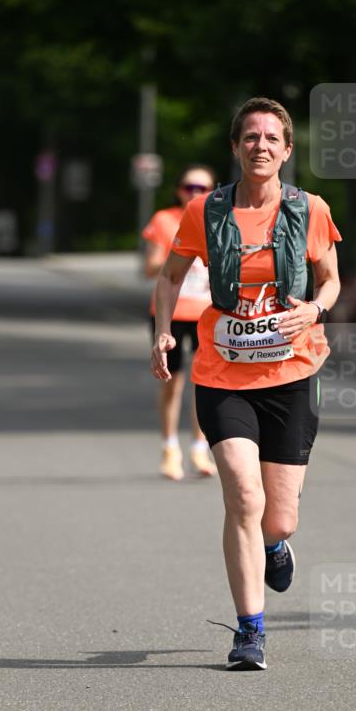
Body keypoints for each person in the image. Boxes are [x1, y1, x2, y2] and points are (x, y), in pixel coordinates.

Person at [151, 98, 341, 670]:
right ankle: (249, 631)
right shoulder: (203, 213)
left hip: (292, 372)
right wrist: (162, 330)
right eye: (250, 137)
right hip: (222, 372)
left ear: (286, 150)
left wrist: (313, 311)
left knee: (277, 519)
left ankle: (277, 544)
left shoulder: (309, 211)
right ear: (235, 147)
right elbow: (168, 276)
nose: (261, 145)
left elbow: (331, 282)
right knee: (242, 494)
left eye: (271, 138)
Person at [143, 165, 217, 480]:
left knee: (205, 385)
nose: (196, 193)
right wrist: (181, 253)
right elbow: (150, 269)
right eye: (190, 187)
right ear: (179, 190)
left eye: (203, 188)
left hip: (208, 313)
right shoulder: (164, 220)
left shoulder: (221, 219)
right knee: (172, 384)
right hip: (170, 314)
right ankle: (170, 448)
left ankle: (200, 449)